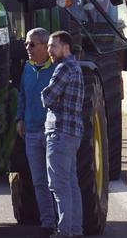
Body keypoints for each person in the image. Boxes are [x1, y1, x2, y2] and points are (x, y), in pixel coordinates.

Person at [15, 28, 58, 236]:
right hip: (31, 132)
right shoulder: (27, 69)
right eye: (26, 44)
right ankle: (47, 223)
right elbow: (22, 95)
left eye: (32, 44)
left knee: (56, 180)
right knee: (39, 181)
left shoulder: (57, 69)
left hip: (52, 132)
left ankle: (63, 221)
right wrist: (20, 118)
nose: (27, 48)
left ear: (44, 46)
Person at [42, 30, 83, 238]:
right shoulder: (76, 67)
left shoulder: (63, 68)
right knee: (71, 183)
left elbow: (47, 98)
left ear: (65, 47)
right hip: (72, 134)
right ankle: (75, 229)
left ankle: (64, 231)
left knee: (59, 185)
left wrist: (50, 98)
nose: (49, 50)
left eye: (53, 46)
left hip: (59, 133)